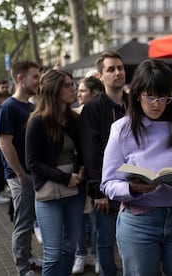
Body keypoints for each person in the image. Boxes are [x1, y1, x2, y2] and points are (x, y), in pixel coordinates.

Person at [101, 59, 172, 276]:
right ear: (137, 94)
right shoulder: (121, 129)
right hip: (140, 222)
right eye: (150, 96)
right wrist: (132, 189)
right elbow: (108, 183)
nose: (157, 103)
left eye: (163, 96)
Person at [25, 69, 85, 275]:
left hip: (75, 192)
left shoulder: (74, 119)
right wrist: (65, 177)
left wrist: (77, 172)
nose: (73, 88)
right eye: (67, 85)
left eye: (72, 84)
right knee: (53, 253)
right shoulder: (38, 121)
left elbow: (82, 153)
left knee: (70, 248)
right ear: (54, 89)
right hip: (49, 194)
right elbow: (32, 163)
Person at [79, 50, 128, 276]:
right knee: (105, 241)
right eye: (111, 69)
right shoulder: (92, 108)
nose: (118, 72)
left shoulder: (134, 104)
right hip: (105, 190)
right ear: (101, 76)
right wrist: (98, 191)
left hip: (136, 187)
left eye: (120, 67)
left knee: (132, 242)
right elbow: (91, 152)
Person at [0, 60, 42, 276]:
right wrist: (21, 174)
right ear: (20, 78)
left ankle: (29, 256)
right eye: (35, 76)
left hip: (31, 174)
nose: (39, 80)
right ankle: (23, 268)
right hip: (21, 176)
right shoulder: (8, 107)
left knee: (29, 219)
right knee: (23, 223)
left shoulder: (31, 106)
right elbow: (4, 143)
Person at [72, 76, 103, 274]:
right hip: (77, 177)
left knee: (95, 221)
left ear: (94, 94)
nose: (78, 94)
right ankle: (80, 255)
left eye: (82, 91)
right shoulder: (74, 114)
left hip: (93, 177)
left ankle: (98, 256)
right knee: (78, 220)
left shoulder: (101, 115)